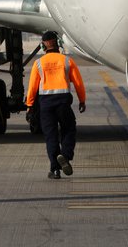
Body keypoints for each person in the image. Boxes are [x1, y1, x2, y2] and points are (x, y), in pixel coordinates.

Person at [25, 31, 86, 179]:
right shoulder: (66, 61)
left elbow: (32, 86)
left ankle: (55, 169)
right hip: (63, 102)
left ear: (42, 45)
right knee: (69, 129)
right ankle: (65, 155)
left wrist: (29, 105)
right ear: (58, 44)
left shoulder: (38, 63)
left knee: (50, 135)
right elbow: (78, 83)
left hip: (45, 104)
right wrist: (82, 100)